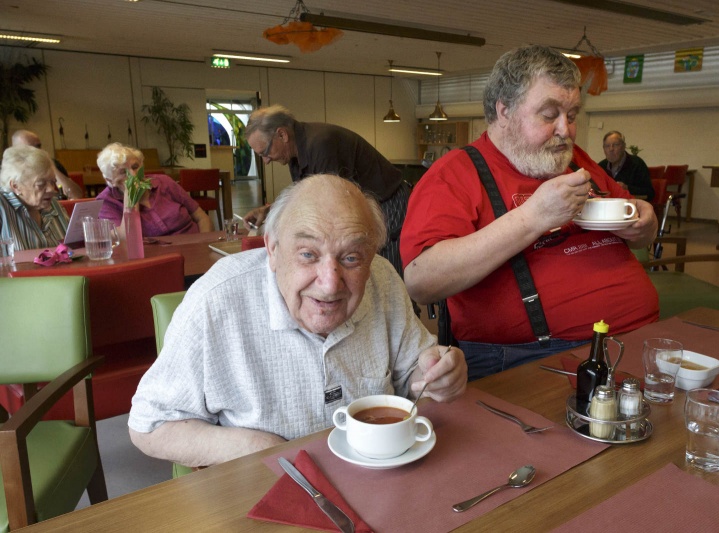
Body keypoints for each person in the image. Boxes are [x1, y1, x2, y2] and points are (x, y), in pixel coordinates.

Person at [128, 174, 466, 467]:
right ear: (272, 250)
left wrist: (438, 374)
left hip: (379, 480)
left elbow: (415, 374)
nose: (330, 283)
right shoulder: (215, 302)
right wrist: (261, 448)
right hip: (263, 486)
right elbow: (149, 425)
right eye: (308, 254)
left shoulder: (382, 279)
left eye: (351, 258)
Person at [400, 45, 659, 381]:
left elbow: (640, 228)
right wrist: (533, 218)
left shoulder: (576, 159)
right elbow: (421, 281)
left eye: (572, 115)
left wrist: (646, 222)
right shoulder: (455, 173)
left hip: (638, 341)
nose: (565, 130)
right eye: (549, 115)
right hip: (537, 359)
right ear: (504, 111)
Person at [243, 105, 410, 277]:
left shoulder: (321, 144)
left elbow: (329, 204)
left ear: (282, 134)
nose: (266, 161)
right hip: (366, 204)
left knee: (385, 272)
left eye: (265, 152)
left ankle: (403, 305)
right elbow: (304, 196)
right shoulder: (296, 152)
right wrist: (268, 211)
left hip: (388, 202)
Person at [95, 142, 213, 236]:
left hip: (192, 243)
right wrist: (131, 198)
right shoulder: (106, 202)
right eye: (123, 172)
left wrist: (204, 244)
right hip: (155, 258)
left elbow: (201, 217)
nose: (133, 175)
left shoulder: (164, 182)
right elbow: (126, 239)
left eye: (135, 167)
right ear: (110, 180)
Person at [0, 145, 69, 250]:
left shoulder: (53, 205)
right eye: (41, 184)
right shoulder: (2, 207)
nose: (51, 189)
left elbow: (72, 248)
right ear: (16, 186)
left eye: (52, 182)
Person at [11, 129, 84, 200]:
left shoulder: (52, 164)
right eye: (31, 148)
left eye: (38, 146)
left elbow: (75, 195)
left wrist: (50, 165)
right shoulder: (7, 170)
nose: (38, 151)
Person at [597, 131, 655, 201]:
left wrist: (627, 188)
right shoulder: (600, 167)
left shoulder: (637, 164)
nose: (611, 149)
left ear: (624, 146)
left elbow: (650, 193)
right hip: (606, 207)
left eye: (615, 145)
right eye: (607, 146)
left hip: (631, 207)